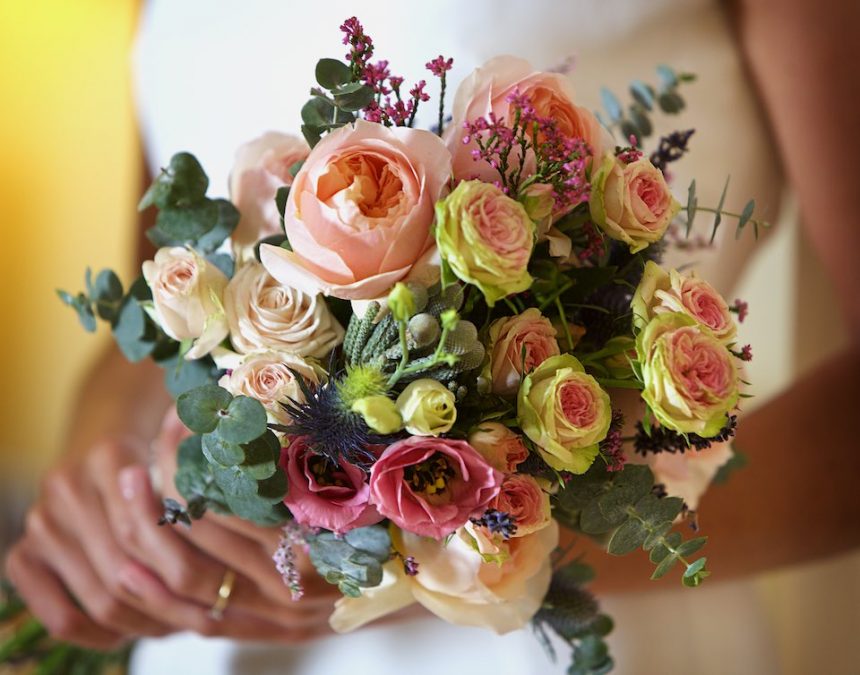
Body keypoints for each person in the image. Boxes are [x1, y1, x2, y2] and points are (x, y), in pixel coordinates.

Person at [5, 0, 860, 673]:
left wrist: (453, 555)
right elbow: (155, 321)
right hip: (219, 630)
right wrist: (102, 485)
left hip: (575, 645)